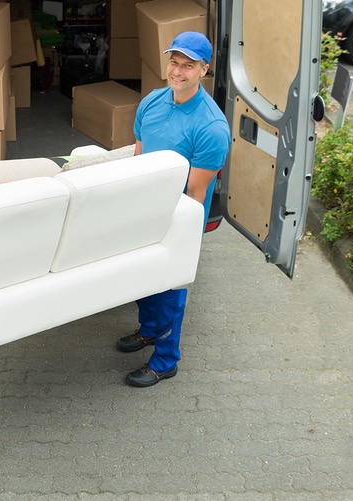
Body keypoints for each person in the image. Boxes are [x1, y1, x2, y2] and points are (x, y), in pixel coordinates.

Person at [120, 32, 231, 387]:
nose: (178, 72)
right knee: (142, 277)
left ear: (203, 70)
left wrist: (174, 236)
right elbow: (138, 161)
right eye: (174, 62)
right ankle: (149, 330)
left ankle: (166, 360)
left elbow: (195, 194)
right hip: (145, 209)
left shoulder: (211, 127)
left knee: (170, 288)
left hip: (178, 217)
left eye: (188, 66)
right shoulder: (151, 102)